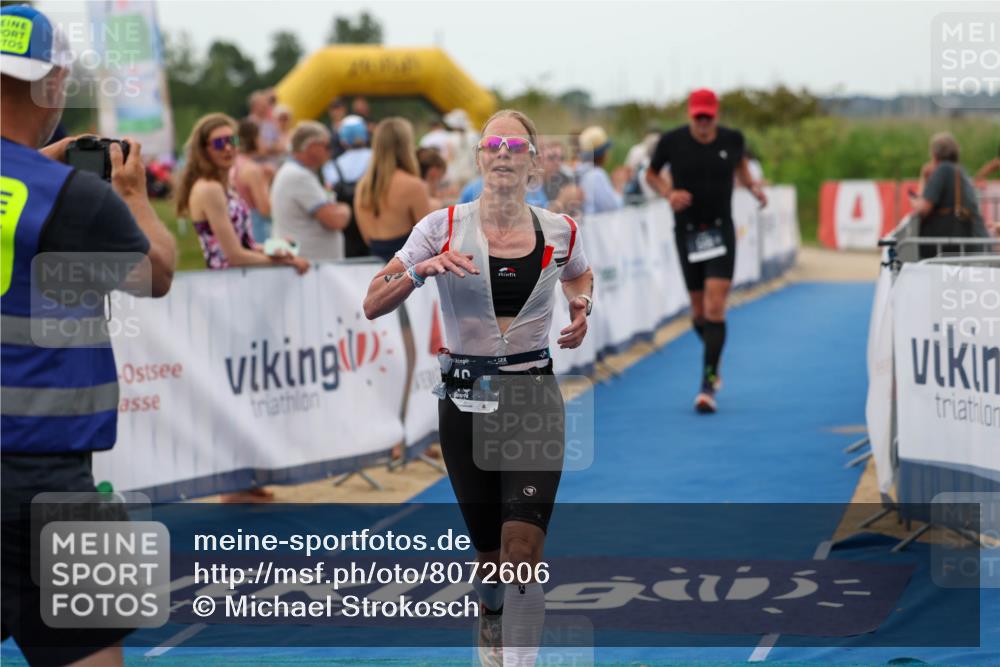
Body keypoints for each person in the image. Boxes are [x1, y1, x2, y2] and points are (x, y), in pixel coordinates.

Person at [363, 109, 593, 667]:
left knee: (522, 550)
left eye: (517, 145)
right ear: (480, 157)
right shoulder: (439, 226)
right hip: (465, 400)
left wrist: (582, 305)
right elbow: (372, 300)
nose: (505, 153)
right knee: (490, 556)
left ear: (534, 161)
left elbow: (578, 273)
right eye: (495, 144)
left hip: (532, 396)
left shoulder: (560, 230)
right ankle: (490, 629)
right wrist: (422, 271)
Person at [1, 6, 176, 665]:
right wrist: (131, 193)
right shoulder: (73, 197)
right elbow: (156, 273)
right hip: (56, 481)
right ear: (53, 86)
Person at [646, 88, 766, 414]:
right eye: (697, 116)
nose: (702, 122)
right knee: (698, 314)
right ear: (690, 114)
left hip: (720, 230)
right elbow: (651, 174)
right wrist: (669, 193)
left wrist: (753, 186)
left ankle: (707, 383)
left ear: (716, 114)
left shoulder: (732, 139)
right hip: (687, 232)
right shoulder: (671, 142)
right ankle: (715, 353)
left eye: (707, 117)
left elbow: (741, 166)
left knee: (715, 307)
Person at [177, 113, 309, 273]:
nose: (227, 148)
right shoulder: (209, 188)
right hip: (227, 283)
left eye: (232, 140)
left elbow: (244, 245)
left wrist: (275, 248)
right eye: (219, 143)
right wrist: (288, 263)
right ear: (204, 150)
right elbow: (234, 256)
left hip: (239, 279)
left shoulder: (224, 185)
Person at [354, 118, 434, 263]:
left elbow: (367, 238)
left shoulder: (363, 186)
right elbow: (430, 240)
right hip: (409, 274)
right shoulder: (414, 185)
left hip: (376, 272)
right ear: (407, 146)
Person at [271, 122, 352, 262]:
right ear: (313, 146)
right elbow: (334, 220)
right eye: (327, 146)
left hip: (309, 265)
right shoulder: (299, 176)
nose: (330, 151)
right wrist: (346, 209)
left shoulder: (294, 171)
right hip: (310, 268)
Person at [909, 132, 990, 258]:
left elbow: (923, 207)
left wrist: (914, 200)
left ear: (934, 153)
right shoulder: (959, 170)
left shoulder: (943, 170)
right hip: (963, 240)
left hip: (944, 245)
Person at [322, 115, 373, 257]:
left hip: (347, 228)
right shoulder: (375, 159)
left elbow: (329, 194)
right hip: (373, 221)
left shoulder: (332, 166)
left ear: (342, 140)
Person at [231, 119, 273, 242]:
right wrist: (266, 181)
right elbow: (265, 210)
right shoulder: (252, 170)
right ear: (254, 139)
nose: (265, 142)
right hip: (256, 230)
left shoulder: (233, 164)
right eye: (262, 137)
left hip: (237, 228)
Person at [575, 126, 625, 214]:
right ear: (602, 153)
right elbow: (613, 207)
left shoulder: (579, 171)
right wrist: (619, 186)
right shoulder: (596, 175)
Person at [540, 140, 583, 215]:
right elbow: (539, 219)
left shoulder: (565, 179)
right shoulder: (531, 184)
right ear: (539, 159)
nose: (557, 163)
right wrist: (562, 200)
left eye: (561, 158)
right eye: (551, 158)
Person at [247, 90, 281, 159]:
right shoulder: (247, 124)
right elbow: (262, 151)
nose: (266, 106)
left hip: (272, 161)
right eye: (262, 104)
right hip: (255, 163)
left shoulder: (270, 124)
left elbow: (280, 146)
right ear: (253, 106)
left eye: (266, 103)